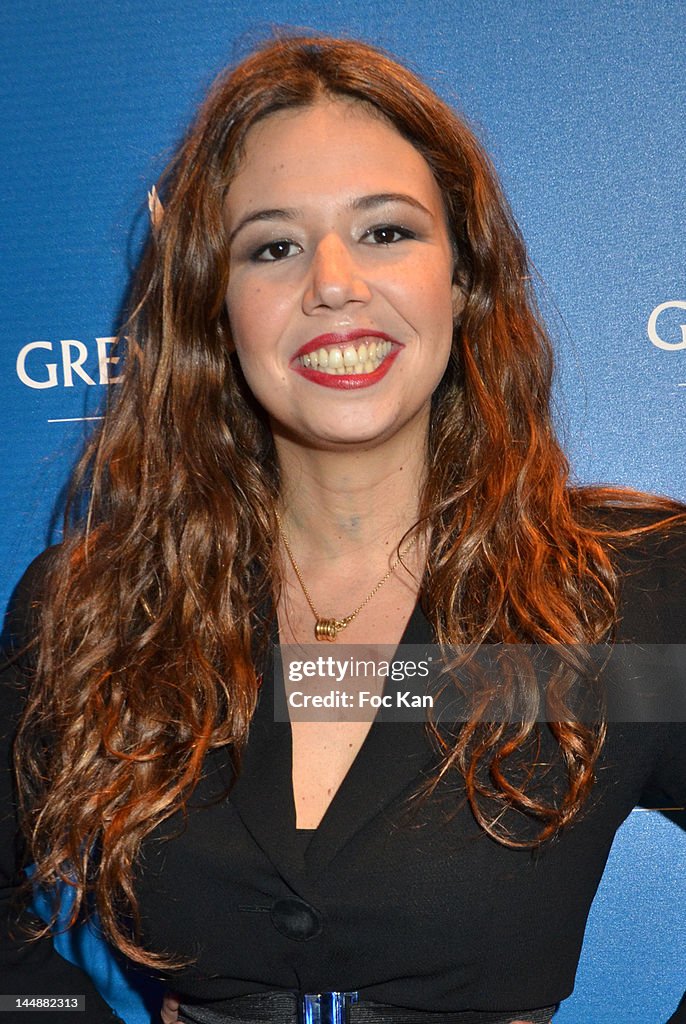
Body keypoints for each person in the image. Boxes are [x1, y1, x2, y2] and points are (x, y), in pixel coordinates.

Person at [1, 33, 685, 1024]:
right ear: (213, 305)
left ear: (461, 277)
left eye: (385, 233)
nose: (331, 282)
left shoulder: (634, 593)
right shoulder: (92, 609)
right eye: (272, 245)